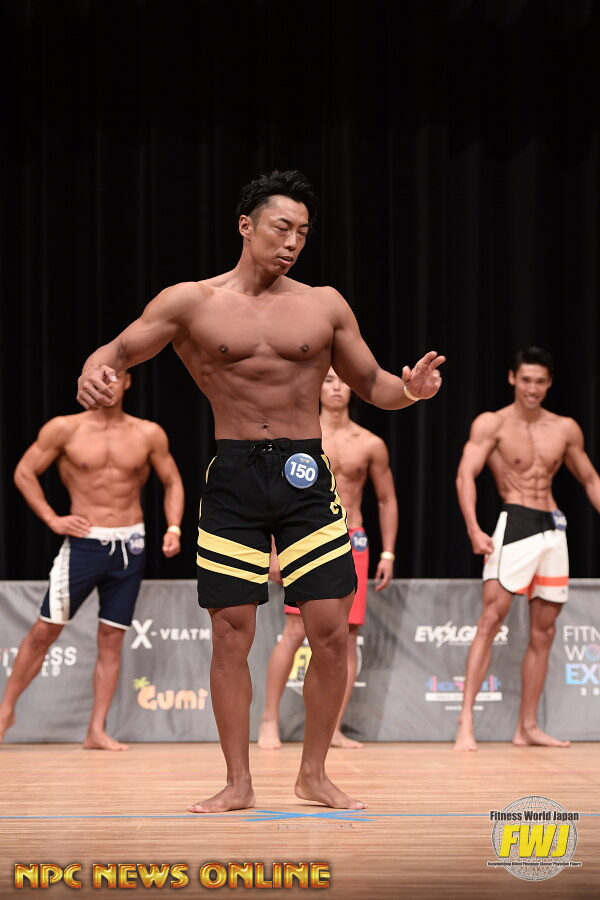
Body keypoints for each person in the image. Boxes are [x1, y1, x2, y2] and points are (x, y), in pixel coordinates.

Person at [76, 169, 444, 810]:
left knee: (330, 631)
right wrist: (92, 374)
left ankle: (313, 774)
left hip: (307, 474)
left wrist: (410, 390)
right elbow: (116, 350)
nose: (293, 242)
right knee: (231, 633)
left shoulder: (324, 305)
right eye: (282, 227)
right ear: (246, 226)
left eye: (303, 232)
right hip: (235, 476)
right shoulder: (191, 302)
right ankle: (238, 782)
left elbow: (374, 384)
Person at [0, 370, 184, 751]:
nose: (108, 385)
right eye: (100, 378)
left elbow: (172, 481)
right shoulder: (65, 429)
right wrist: (53, 519)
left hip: (131, 545)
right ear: (86, 383)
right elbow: (24, 472)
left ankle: (96, 730)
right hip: (85, 544)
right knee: (44, 631)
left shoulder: (148, 433)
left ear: (128, 382)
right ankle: (5, 712)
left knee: (112, 638)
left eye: (115, 377)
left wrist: (174, 527)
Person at [454, 347, 600, 752]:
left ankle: (528, 726)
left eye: (540, 381)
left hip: (553, 527)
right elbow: (465, 474)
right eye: (526, 380)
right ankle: (465, 720)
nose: (532, 388)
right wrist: (473, 528)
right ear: (512, 379)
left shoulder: (565, 428)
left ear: (548, 383)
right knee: (490, 619)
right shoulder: (493, 423)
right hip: (515, 522)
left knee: (545, 631)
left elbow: (590, 479)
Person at [258, 367, 398, 750]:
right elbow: (278, 497)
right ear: (317, 386)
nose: (336, 388)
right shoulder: (298, 435)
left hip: (353, 539)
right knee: (295, 632)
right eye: (329, 380)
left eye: (342, 381)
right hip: (306, 536)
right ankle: (269, 721)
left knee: (347, 637)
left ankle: (332, 728)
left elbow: (386, 499)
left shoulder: (370, 443)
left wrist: (388, 551)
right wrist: (274, 550)